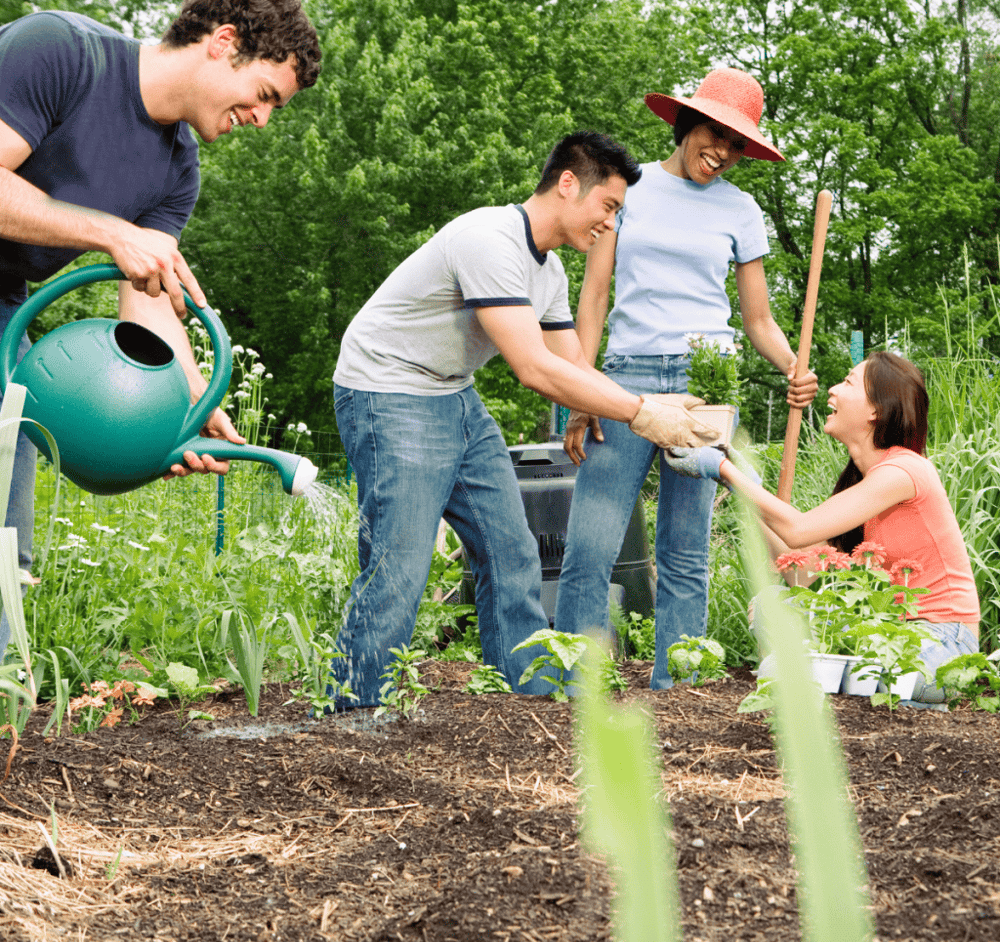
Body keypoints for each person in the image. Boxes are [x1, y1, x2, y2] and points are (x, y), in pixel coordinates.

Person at [330, 131, 722, 707]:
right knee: (402, 564)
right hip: (388, 392)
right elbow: (534, 369)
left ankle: (528, 698)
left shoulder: (551, 276)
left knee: (512, 550)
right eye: (608, 207)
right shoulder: (488, 240)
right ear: (568, 184)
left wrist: (663, 408)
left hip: (453, 395)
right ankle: (352, 708)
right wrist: (643, 413)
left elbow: (575, 370)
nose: (611, 225)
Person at [0, 0, 321, 657]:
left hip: (6, 306)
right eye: (264, 95)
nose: (260, 119)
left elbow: (147, 304)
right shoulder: (60, 49)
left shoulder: (176, 170)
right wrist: (110, 231)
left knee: (7, 539)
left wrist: (190, 407)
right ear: (223, 41)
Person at [553, 67, 819, 689]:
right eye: (713, 135)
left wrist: (794, 367)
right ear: (685, 124)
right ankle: (573, 684)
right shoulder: (631, 191)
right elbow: (593, 299)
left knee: (685, 552)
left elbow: (758, 320)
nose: (721, 153)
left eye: (735, 145)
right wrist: (581, 390)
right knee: (590, 545)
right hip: (627, 381)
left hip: (707, 383)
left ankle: (679, 691)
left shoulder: (742, 210)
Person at [666, 352, 981, 705]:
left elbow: (799, 529)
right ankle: (881, 696)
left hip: (941, 644)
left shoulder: (905, 472)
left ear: (876, 409)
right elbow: (802, 571)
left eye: (847, 382)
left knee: (822, 668)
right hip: (889, 637)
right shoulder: (862, 484)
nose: (831, 390)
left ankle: (891, 694)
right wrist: (743, 488)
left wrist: (726, 470)